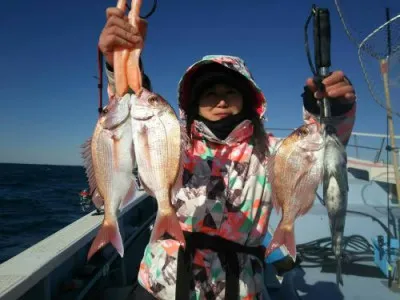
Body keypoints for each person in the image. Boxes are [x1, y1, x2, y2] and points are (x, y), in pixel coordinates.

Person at [98, 7, 356, 300]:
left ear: (248, 100)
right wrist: (120, 62)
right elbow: (133, 119)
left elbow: (321, 145)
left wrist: (332, 110)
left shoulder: (272, 151)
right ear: (193, 105)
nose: (220, 99)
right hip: (160, 285)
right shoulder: (173, 142)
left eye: (230, 92)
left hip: (241, 290)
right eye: (209, 93)